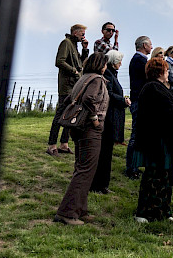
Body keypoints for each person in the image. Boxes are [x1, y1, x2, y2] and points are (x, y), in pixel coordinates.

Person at [133, 57, 173, 223]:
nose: (168, 74)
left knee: (166, 177)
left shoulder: (160, 88)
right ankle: (145, 213)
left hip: (165, 140)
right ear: (160, 72)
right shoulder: (152, 88)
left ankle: (163, 211)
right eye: (166, 71)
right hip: (156, 141)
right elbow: (163, 111)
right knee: (154, 176)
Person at [53, 52, 108, 225]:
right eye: (105, 64)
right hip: (89, 129)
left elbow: (70, 98)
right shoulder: (97, 79)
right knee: (85, 170)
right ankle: (67, 213)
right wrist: (95, 119)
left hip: (78, 128)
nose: (106, 67)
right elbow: (89, 98)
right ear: (100, 65)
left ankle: (80, 209)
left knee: (83, 168)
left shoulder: (83, 78)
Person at [91, 50, 130, 193]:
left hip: (112, 117)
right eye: (119, 60)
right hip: (109, 119)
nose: (121, 63)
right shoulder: (109, 74)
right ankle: (100, 185)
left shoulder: (112, 74)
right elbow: (109, 94)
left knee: (107, 153)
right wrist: (123, 100)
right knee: (104, 154)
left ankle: (102, 185)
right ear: (114, 61)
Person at [48, 24, 89, 156]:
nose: (84, 36)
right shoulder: (66, 43)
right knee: (60, 115)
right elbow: (59, 61)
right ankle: (51, 146)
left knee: (70, 115)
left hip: (75, 86)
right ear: (75, 33)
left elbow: (81, 64)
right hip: (66, 86)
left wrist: (85, 50)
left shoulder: (75, 46)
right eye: (82, 34)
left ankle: (64, 145)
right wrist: (74, 71)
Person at [124, 35, 152, 179]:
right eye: (150, 45)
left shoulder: (139, 60)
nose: (152, 47)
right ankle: (131, 167)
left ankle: (134, 165)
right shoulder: (139, 61)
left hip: (139, 100)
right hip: (140, 101)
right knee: (136, 136)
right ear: (144, 45)